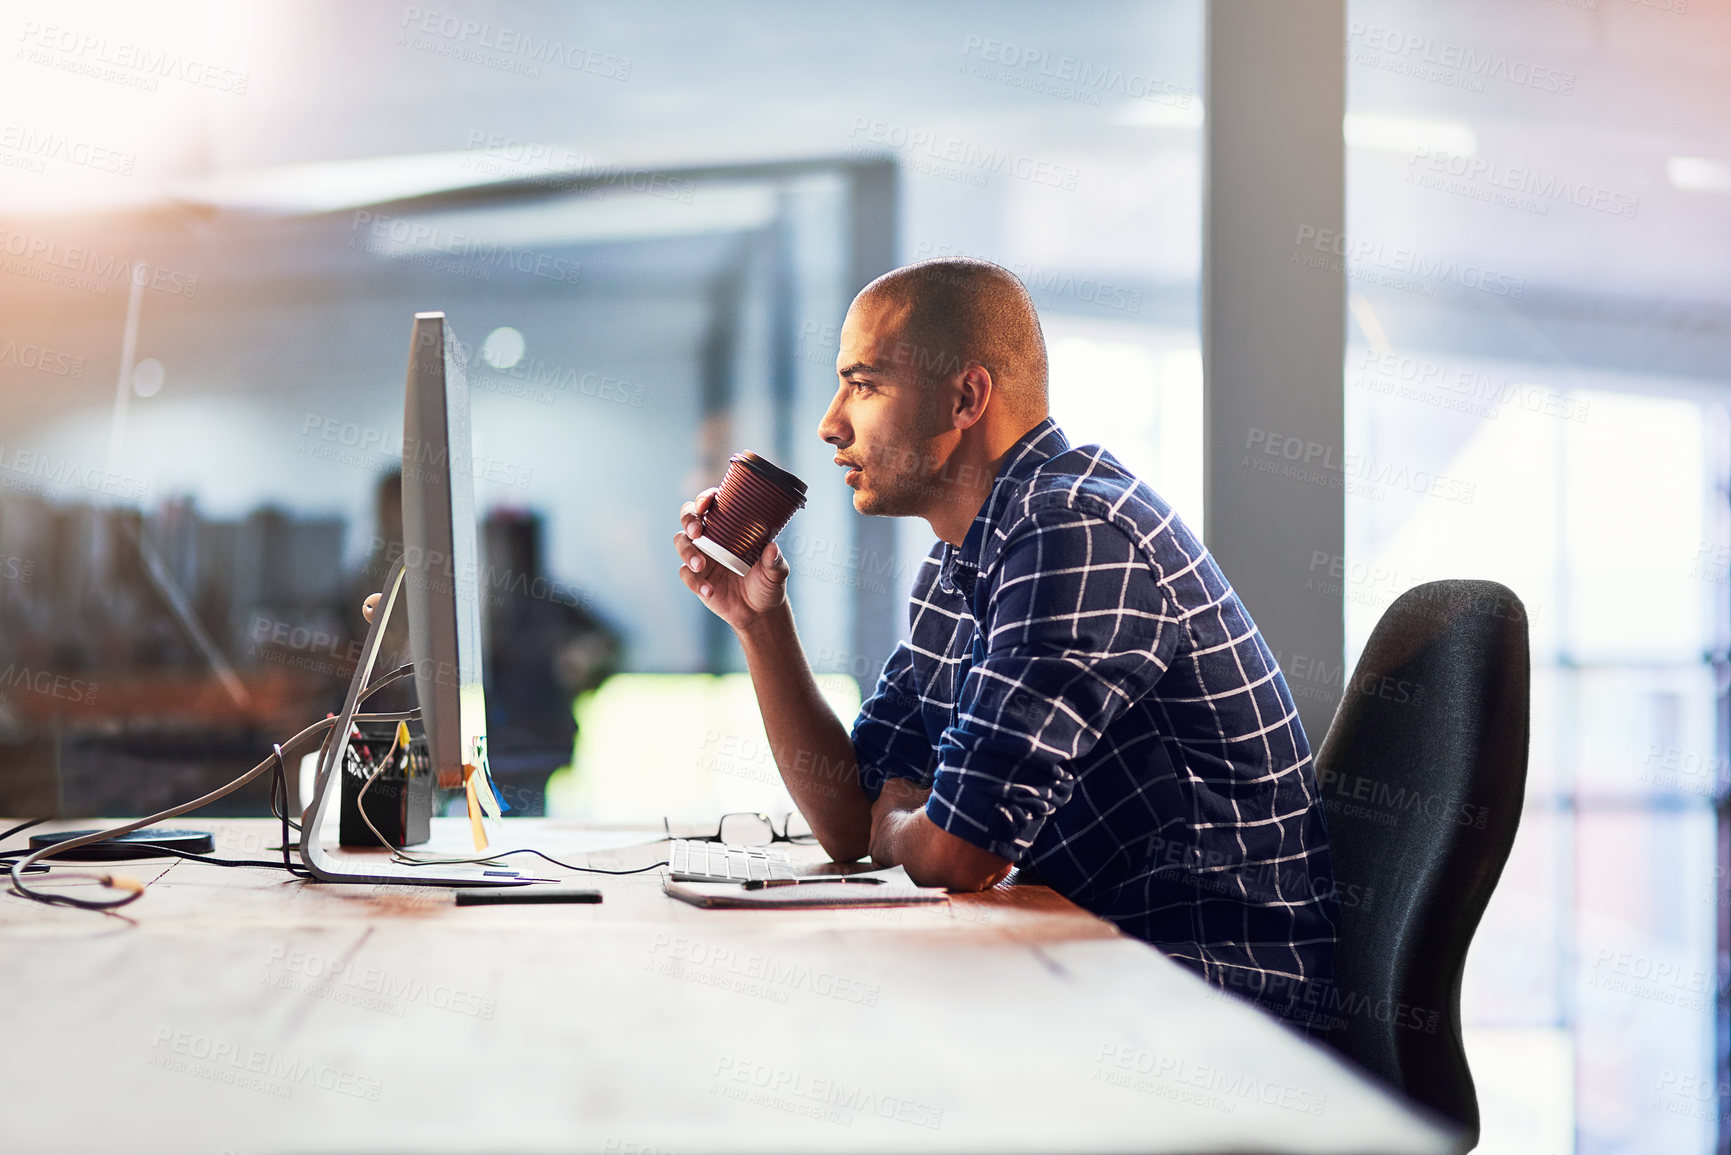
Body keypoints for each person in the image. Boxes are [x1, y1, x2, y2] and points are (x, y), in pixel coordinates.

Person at [673, 257, 1338, 1029]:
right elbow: (852, 817)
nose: (830, 422)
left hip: (1215, 1007)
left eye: (862, 383)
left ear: (966, 396)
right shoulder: (962, 563)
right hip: (1096, 971)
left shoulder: (1075, 530)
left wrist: (904, 824)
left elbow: (960, 852)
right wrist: (760, 621)